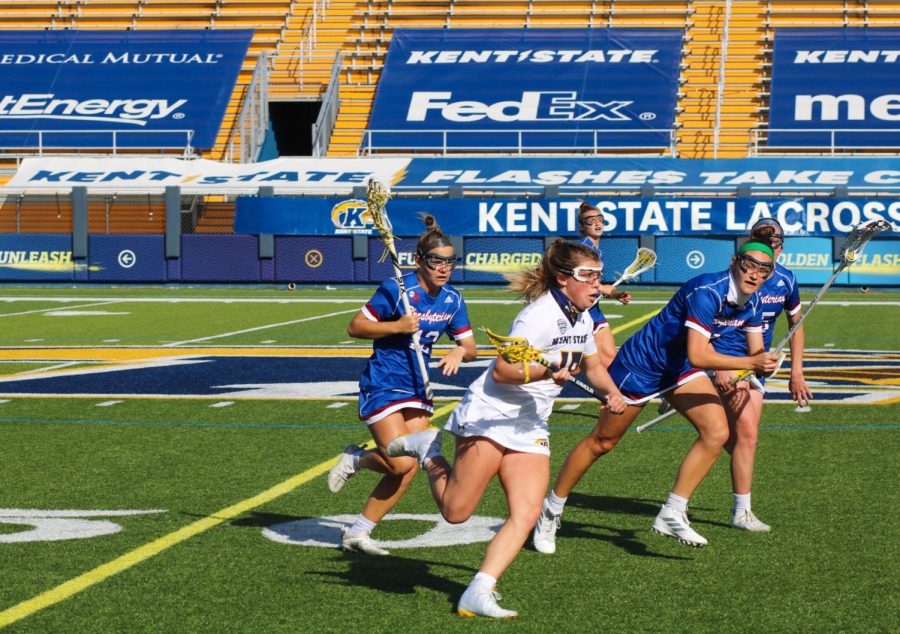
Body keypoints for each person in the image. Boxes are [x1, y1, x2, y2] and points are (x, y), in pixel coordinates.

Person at [386, 239, 627, 619]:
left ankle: (480, 589)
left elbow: (593, 366)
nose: (597, 285)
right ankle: (429, 451)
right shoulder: (539, 316)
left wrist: (613, 394)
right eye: (589, 276)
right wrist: (548, 370)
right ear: (563, 279)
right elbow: (503, 370)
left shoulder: (584, 317)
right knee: (455, 512)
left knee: (527, 511)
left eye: (599, 276)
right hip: (491, 415)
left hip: (530, 420)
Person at [532, 239, 781, 552]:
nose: (755, 273)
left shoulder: (753, 303)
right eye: (749, 263)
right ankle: (551, 510)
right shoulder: (708, 291)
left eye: (764, 268)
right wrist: (750, 363)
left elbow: (756, 352)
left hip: (679, 369)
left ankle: (672, 511)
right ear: (735, 262)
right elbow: (700, 354)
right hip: (642, 365)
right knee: (602, 442)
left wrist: (765, 364)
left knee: (717, 431)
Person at [327, 214, 477, 555]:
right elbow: (356, 327)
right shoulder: (397, 289)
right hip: (384, 381)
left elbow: (470, 347)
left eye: (450, 262)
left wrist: (457, 351)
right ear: (420, 260)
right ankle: (357, 458)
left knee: (408, 469)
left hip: (418, 387)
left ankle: (358, 532)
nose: (444, 268)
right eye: (437, 261)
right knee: (401, 462)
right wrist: (396, 326)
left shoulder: (453, 300)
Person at [712, 218, 813, 532]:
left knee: (741, 437)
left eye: (775, 244)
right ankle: (741, 511)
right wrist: (717, 367)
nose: (769, 250)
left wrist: (796, 372)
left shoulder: (786, 280)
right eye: (762, 242)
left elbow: (795, 326)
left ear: (781, 249)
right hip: (725, 358)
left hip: (757, 364)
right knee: (748, 434)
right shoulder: (730, 279)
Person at [576, 201, 632, 366]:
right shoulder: (584, 249)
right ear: (582, 227)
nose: (597, 223)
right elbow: (578, 278)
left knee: (609, 358)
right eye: (591, 220)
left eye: (600, 218)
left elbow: (593, 285)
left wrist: (615, 294)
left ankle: (614, 392)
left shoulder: (596, 250)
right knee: (579, 364)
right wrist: (601, 288)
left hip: (593, 310)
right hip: (580, 311)